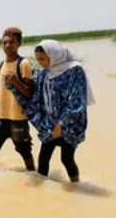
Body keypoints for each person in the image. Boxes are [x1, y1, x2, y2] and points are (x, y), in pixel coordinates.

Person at [8, 40, 95, 182]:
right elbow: (33, 93)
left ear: (54, 55)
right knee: (43, 159)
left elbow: (76, 100)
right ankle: (41, 191)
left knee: (66, 159)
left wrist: (61, 124)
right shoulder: (45, 73)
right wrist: (14, 83)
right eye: (37, 60)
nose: (40, 62)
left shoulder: (74, 70)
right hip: (50, 125)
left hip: (69, 125)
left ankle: (76, 187)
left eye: (42, 59)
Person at [0, 27, 36, 171]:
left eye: (11, 42)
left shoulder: (24, 64)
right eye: (4, 43)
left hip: (18, 119)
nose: (7, 46)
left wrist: (16, 82)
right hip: (1, 118)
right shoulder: (1, 65)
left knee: (26, 156)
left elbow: (29, 93)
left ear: (19, 44)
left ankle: (36, 181)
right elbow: (5, 88)